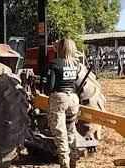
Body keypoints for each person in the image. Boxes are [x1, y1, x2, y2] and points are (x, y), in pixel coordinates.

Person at [47, 38, 80, 168]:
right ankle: (73, 162)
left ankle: (64, 163)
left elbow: (50, 87)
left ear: (60, 49)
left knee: (61, 133)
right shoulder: (76, 64)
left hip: (59, 99)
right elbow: (76, 81)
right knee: (71, 131)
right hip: (73, 99)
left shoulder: (54, 64)